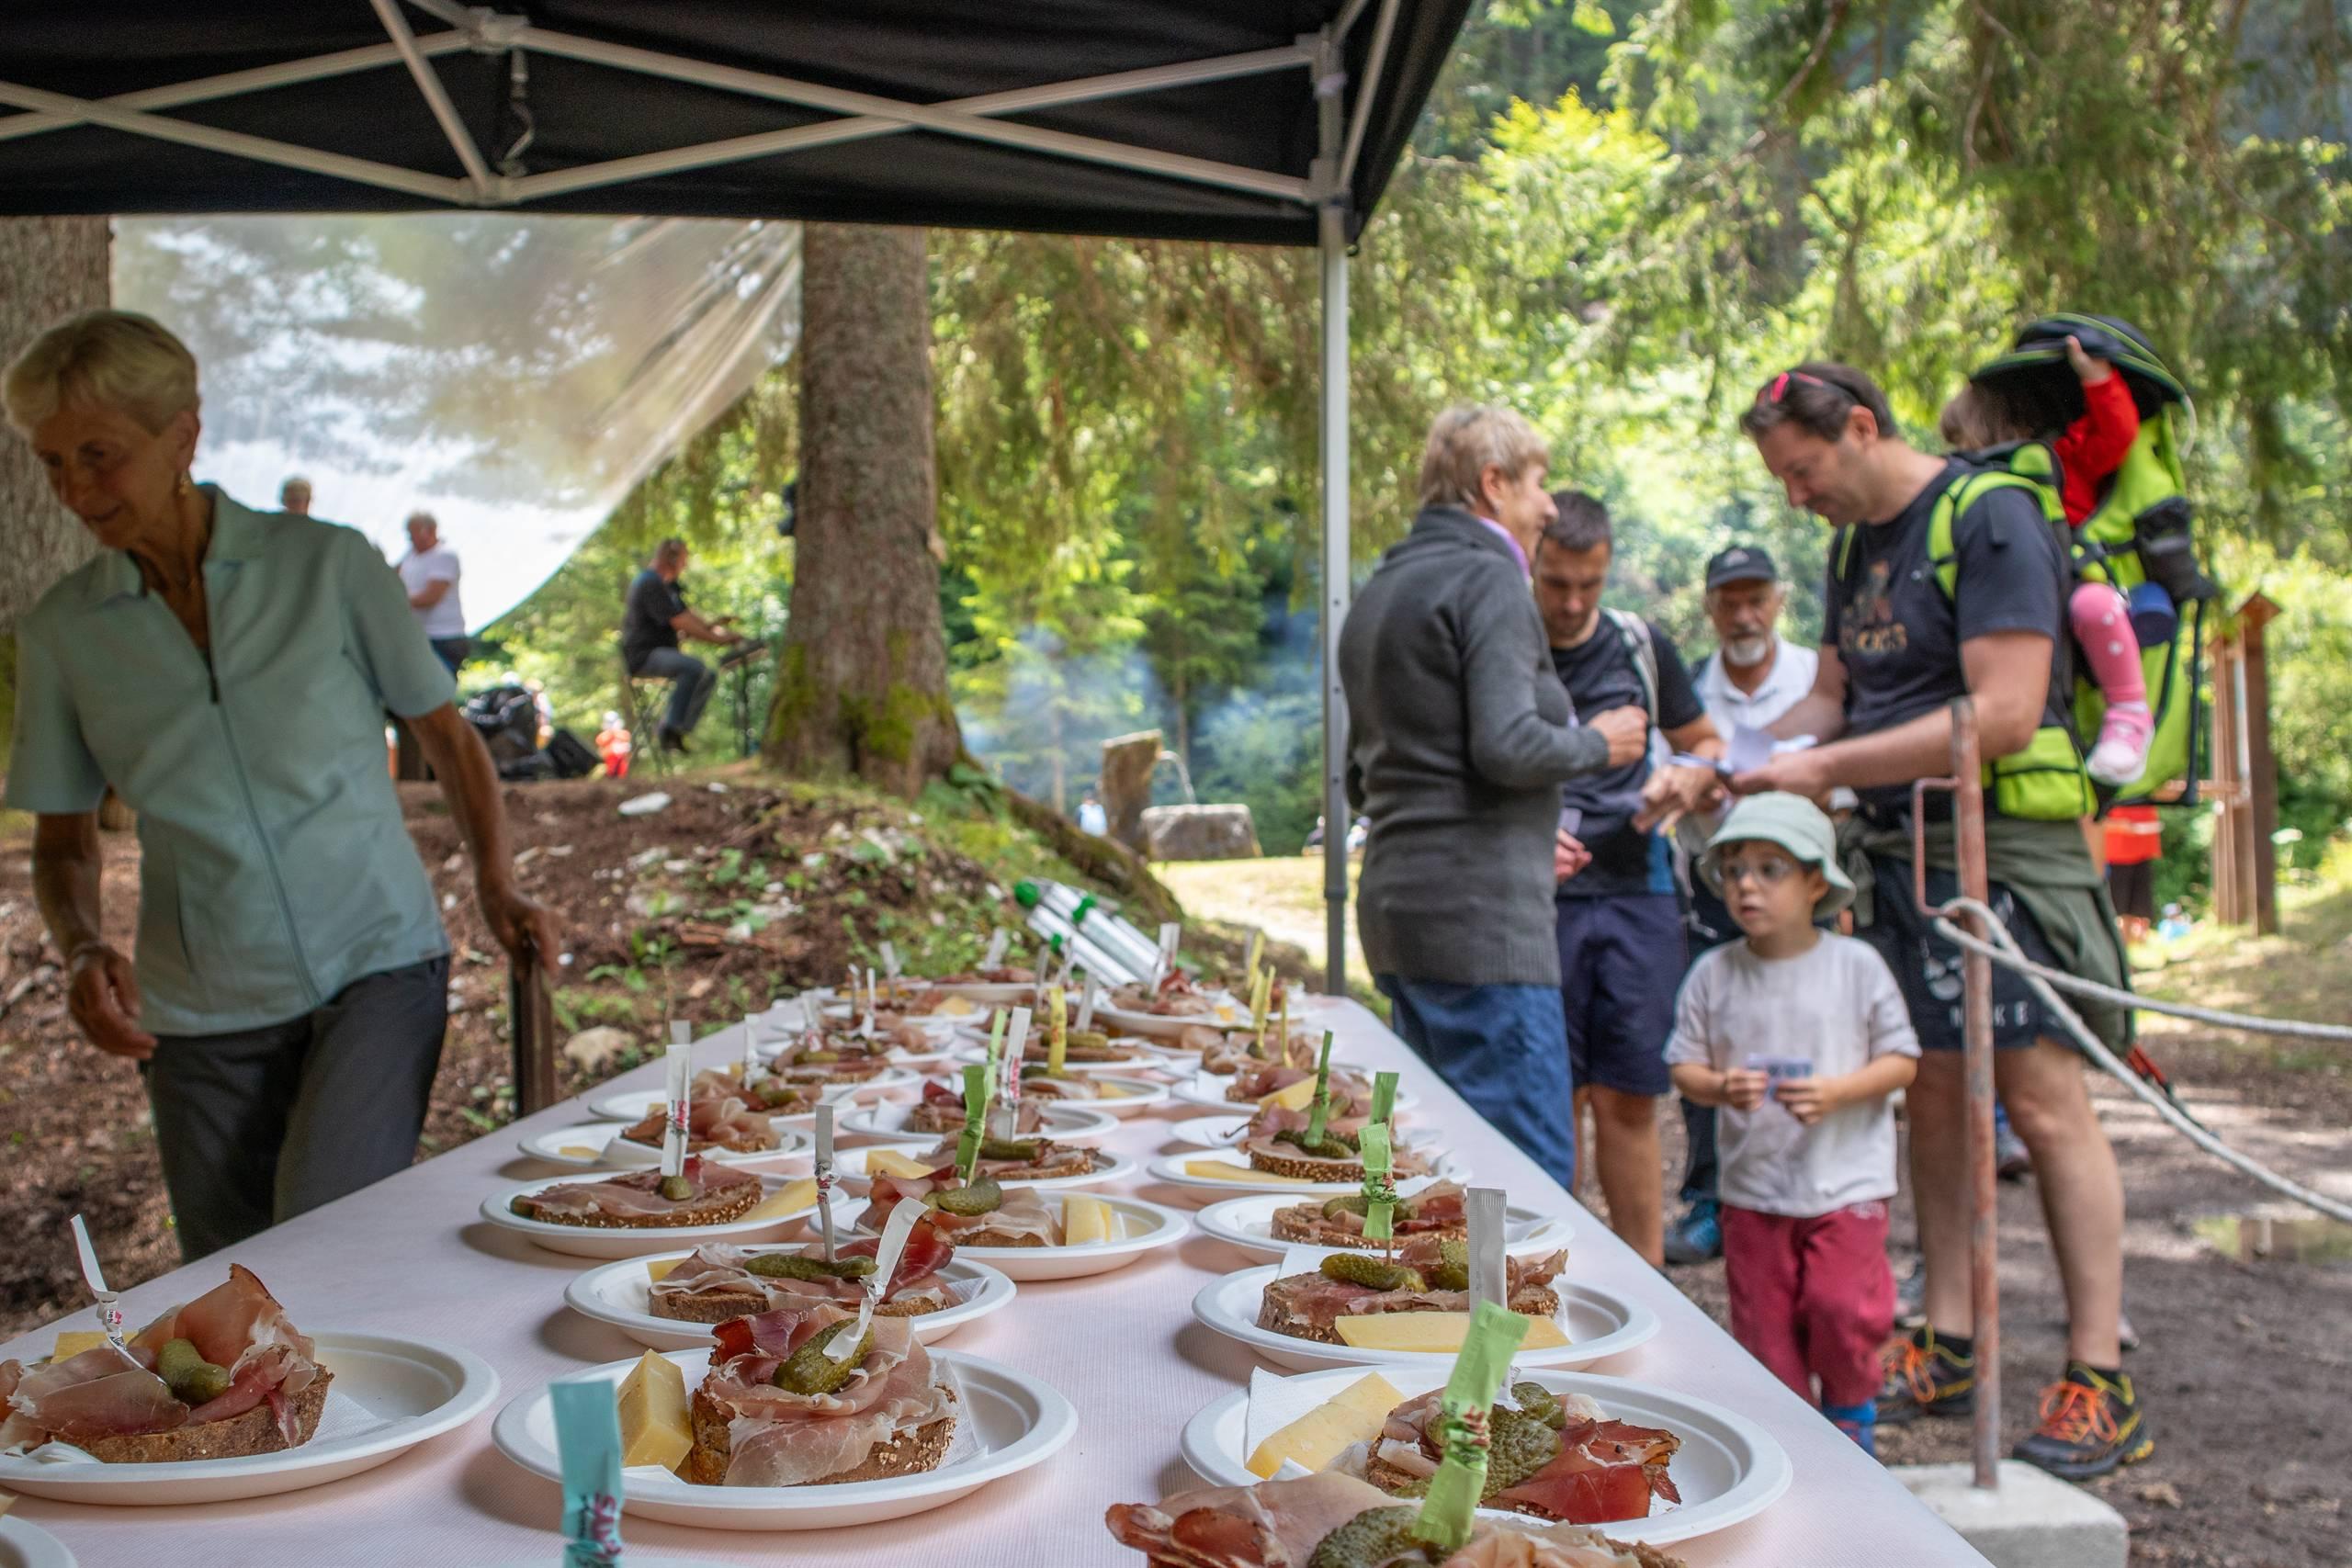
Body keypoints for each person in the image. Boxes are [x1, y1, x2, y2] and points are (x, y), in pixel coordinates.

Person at [3, 310, 560, 1261]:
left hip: (377, 961)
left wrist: (494, 882)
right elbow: (63, 841)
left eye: (98, 454)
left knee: (320, 1242)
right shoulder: (65, 632)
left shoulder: (326, 566)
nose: (74, 490)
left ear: (182, 435)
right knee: (231, 1291)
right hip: (197, 1010)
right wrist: (83, 945)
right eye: (52, 462)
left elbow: (448, 738)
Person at [1735, 361, 2151, 1480]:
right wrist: (1732, 769)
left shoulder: (1990, 516)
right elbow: (1829, 700)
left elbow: (2004, 713)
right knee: (1926, 1090)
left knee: (2038, 1097)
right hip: (1899, 852)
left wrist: (1819, 763)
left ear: (1861, 428)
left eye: (1803, 469)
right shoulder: (1849, 549)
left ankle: (2098, 1373)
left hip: (2001, 848)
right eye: (1779, 478)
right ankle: (1953, 1337)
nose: (1795, 496)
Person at [1339, 406, 1646, 1190]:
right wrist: (1600, 743)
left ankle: (1445, 1314)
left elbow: (1363, 775)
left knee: (1438, 1166)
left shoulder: (1381, 589)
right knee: (1527, 1179)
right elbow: (1506, 746)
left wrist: (1514, 833)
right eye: (1539, 483)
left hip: (1399, 914)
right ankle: (1516, 1319)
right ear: (1493, 484)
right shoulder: (1489, 576)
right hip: (1485, 928)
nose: (1549, 505)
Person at [1667, 793, 1919, 1456]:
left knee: (1843, 1308)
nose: (1747, 884)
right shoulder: (1713, 973)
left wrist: (1841, 1092)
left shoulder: (1855, 965)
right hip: (1754, 1189)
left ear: (1816, 881)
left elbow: (1902, 1060)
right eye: (1734, 870)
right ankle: (1790, 1445)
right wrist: (1720, 1086)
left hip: (1846, 1184)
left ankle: (1851, 1416)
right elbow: (1684, 1066)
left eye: (1770, 868)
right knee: (1765, 1329)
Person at [1534, 492, 1724, 1269]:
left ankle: (1642, 1276)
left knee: (1630, 1096)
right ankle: (1559, 1271)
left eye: (1591, 582)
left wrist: (1687, 776)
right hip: (1539, 897)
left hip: (1638, 890)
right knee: (1559, 1100)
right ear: (1532, 568)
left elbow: (1705, 742)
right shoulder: (1504, 642)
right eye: (1557, 583)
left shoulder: (1641, 644)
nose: (1575, 602)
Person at [1664, 544, 1821, 1267]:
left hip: (1800, 897)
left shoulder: (1817, 680)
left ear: (1779, 600)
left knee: (1806, 1037)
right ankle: (1708, 1199)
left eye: (1757, 597)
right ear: (1709, 608)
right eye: (1729, 601)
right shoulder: (1690, 689)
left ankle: (1806, 1197)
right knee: (1706, 1040)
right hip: (1710, 892)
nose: (1745, 614)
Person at [1940, 335, 2152, 784]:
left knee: (2094, 607)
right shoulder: (1961, 492)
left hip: (2071, 574)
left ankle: (2130, 714)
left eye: (1964, 440)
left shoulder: (2065, 458)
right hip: (2015, 593)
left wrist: (2097, 378)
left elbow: (2116, 433)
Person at [622, 536, 740, 753]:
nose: (685, 565)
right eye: (683, 559)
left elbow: (689, 618)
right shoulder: (650, 582)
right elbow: (680, 622)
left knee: (708, 673)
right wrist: (718, 638)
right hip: (645, 656)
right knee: (694, 668)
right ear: (671, 558)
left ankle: (677, 730)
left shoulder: (670, 587)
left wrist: (718, 630)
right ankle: (669, 728)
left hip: (663, 652)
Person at [394, 510, 468, 674]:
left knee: (439, 690)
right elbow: (390, 575)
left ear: (431, 530)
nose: (411, 539)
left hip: (444, 637)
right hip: (421, 635)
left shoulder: (444, 556)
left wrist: (394, 600)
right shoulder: (410, 555)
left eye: (414, 533)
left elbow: (431, 597)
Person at [2102, 804, 2161, 945]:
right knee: (2116, 910)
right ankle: (2116, 954)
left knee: (2131, 911)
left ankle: (2125, 955)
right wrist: (2119, 825)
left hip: (2142, 853)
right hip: (2116, 857)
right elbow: (2094, 821)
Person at [594, 710, 633, 778]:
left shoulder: (624, 735)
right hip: (608, 769)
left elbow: (628, 753)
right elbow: (600, 753)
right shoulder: (603, 737)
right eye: (609, 723)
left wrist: (624, 748)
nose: (611, 725)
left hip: (622, 769)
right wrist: (612, 750)